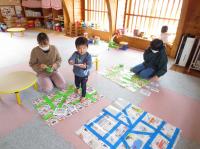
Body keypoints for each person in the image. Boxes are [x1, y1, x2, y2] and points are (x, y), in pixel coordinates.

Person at [68, 36, 92, 102]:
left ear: (87, 47)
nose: (82, 50)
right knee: (77, 83)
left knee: (83, 86)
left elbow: (90, 65)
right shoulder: (75, 54)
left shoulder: (88, 56)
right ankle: (78, 88)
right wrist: (70, 61)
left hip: (84, 75)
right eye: (79, 48)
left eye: (84, 48)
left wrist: (86, 66)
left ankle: (83, 96)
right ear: (76, 48)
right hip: (76, 73)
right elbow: (71, 59)